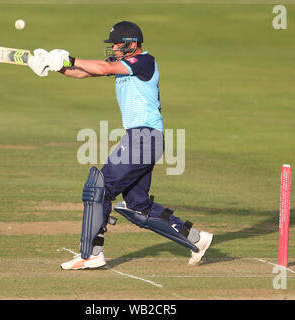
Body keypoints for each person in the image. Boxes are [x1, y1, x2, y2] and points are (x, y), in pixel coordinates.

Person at [28, 21, 213, 270]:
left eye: (117, 44)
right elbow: (86, 72)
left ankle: (92, 253)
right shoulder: (124, 66)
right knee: (137, 205)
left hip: (144, 138)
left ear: (132, 44)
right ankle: (196, 238)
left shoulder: (144, 62)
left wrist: (68, 58)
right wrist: (54, 67)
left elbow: (103, 67)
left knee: (98, 188)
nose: (113, 47)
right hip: (143, 138)